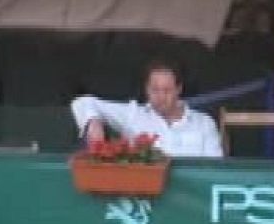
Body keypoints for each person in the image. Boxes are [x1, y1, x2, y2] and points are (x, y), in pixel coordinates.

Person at [70, 60, 222, 158]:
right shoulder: (133, 115)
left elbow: (215, 169)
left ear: (178, 89)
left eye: (167, 90)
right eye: (155, 90)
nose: (161, 96)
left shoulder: (204, 123)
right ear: (146, 89)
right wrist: (93, 121)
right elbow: (82, 102)